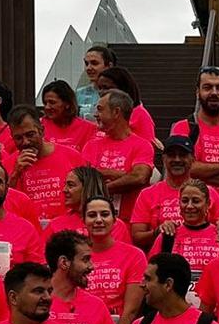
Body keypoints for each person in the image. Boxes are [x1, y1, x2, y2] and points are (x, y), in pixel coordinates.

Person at [168, 66, 219, 199]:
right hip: (192, 213)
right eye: (207, 87)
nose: (214, 93)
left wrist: (199, 174)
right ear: (197, 92)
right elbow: (184, 168)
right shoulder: (183, 127)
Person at [132, 135, 219, 249]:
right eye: (172, 155)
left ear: (193, 159)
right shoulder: (147, 194)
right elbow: (137, 237)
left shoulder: (209, 192)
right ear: (163, 159)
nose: (177, 159)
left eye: (182, 155)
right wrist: (158, 231)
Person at [88, 89, 157, 224]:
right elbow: (85, 178)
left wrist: (102, 186)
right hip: (97, 223)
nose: (96, 115)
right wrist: (125, 175)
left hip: (130, 222)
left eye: (100, 110)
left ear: (116, 112)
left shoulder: (142, 145)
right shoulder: (91, 145)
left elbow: (139, 177)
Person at [8, 105, 86, 226]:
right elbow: (6, 204)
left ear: (42, 130)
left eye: (30, 134)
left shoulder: (72, 156)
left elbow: (88, 194)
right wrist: (15, 173)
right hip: (30, 231)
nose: (25, 142)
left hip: (67, 231)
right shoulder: (9, 163)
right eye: (18, 138)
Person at [78, 196, 147, 324]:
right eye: (92, 215)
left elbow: (131, 311)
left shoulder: (135, 256)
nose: (99, 220)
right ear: (83, 220)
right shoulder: (74, 257)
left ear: (115, 220)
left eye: (104, 214)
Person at [95, 63, 160, 142]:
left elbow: (147, 146)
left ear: (123, 88)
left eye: (106, 88)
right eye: (99, 88)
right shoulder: (101, 112)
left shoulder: (141, 115)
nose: (101, 92)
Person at [41, 79, 100, 153]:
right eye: (45, 103)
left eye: (52, 103)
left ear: (67, 104)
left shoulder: (89, 129)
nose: (47, 107)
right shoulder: (39, 126)